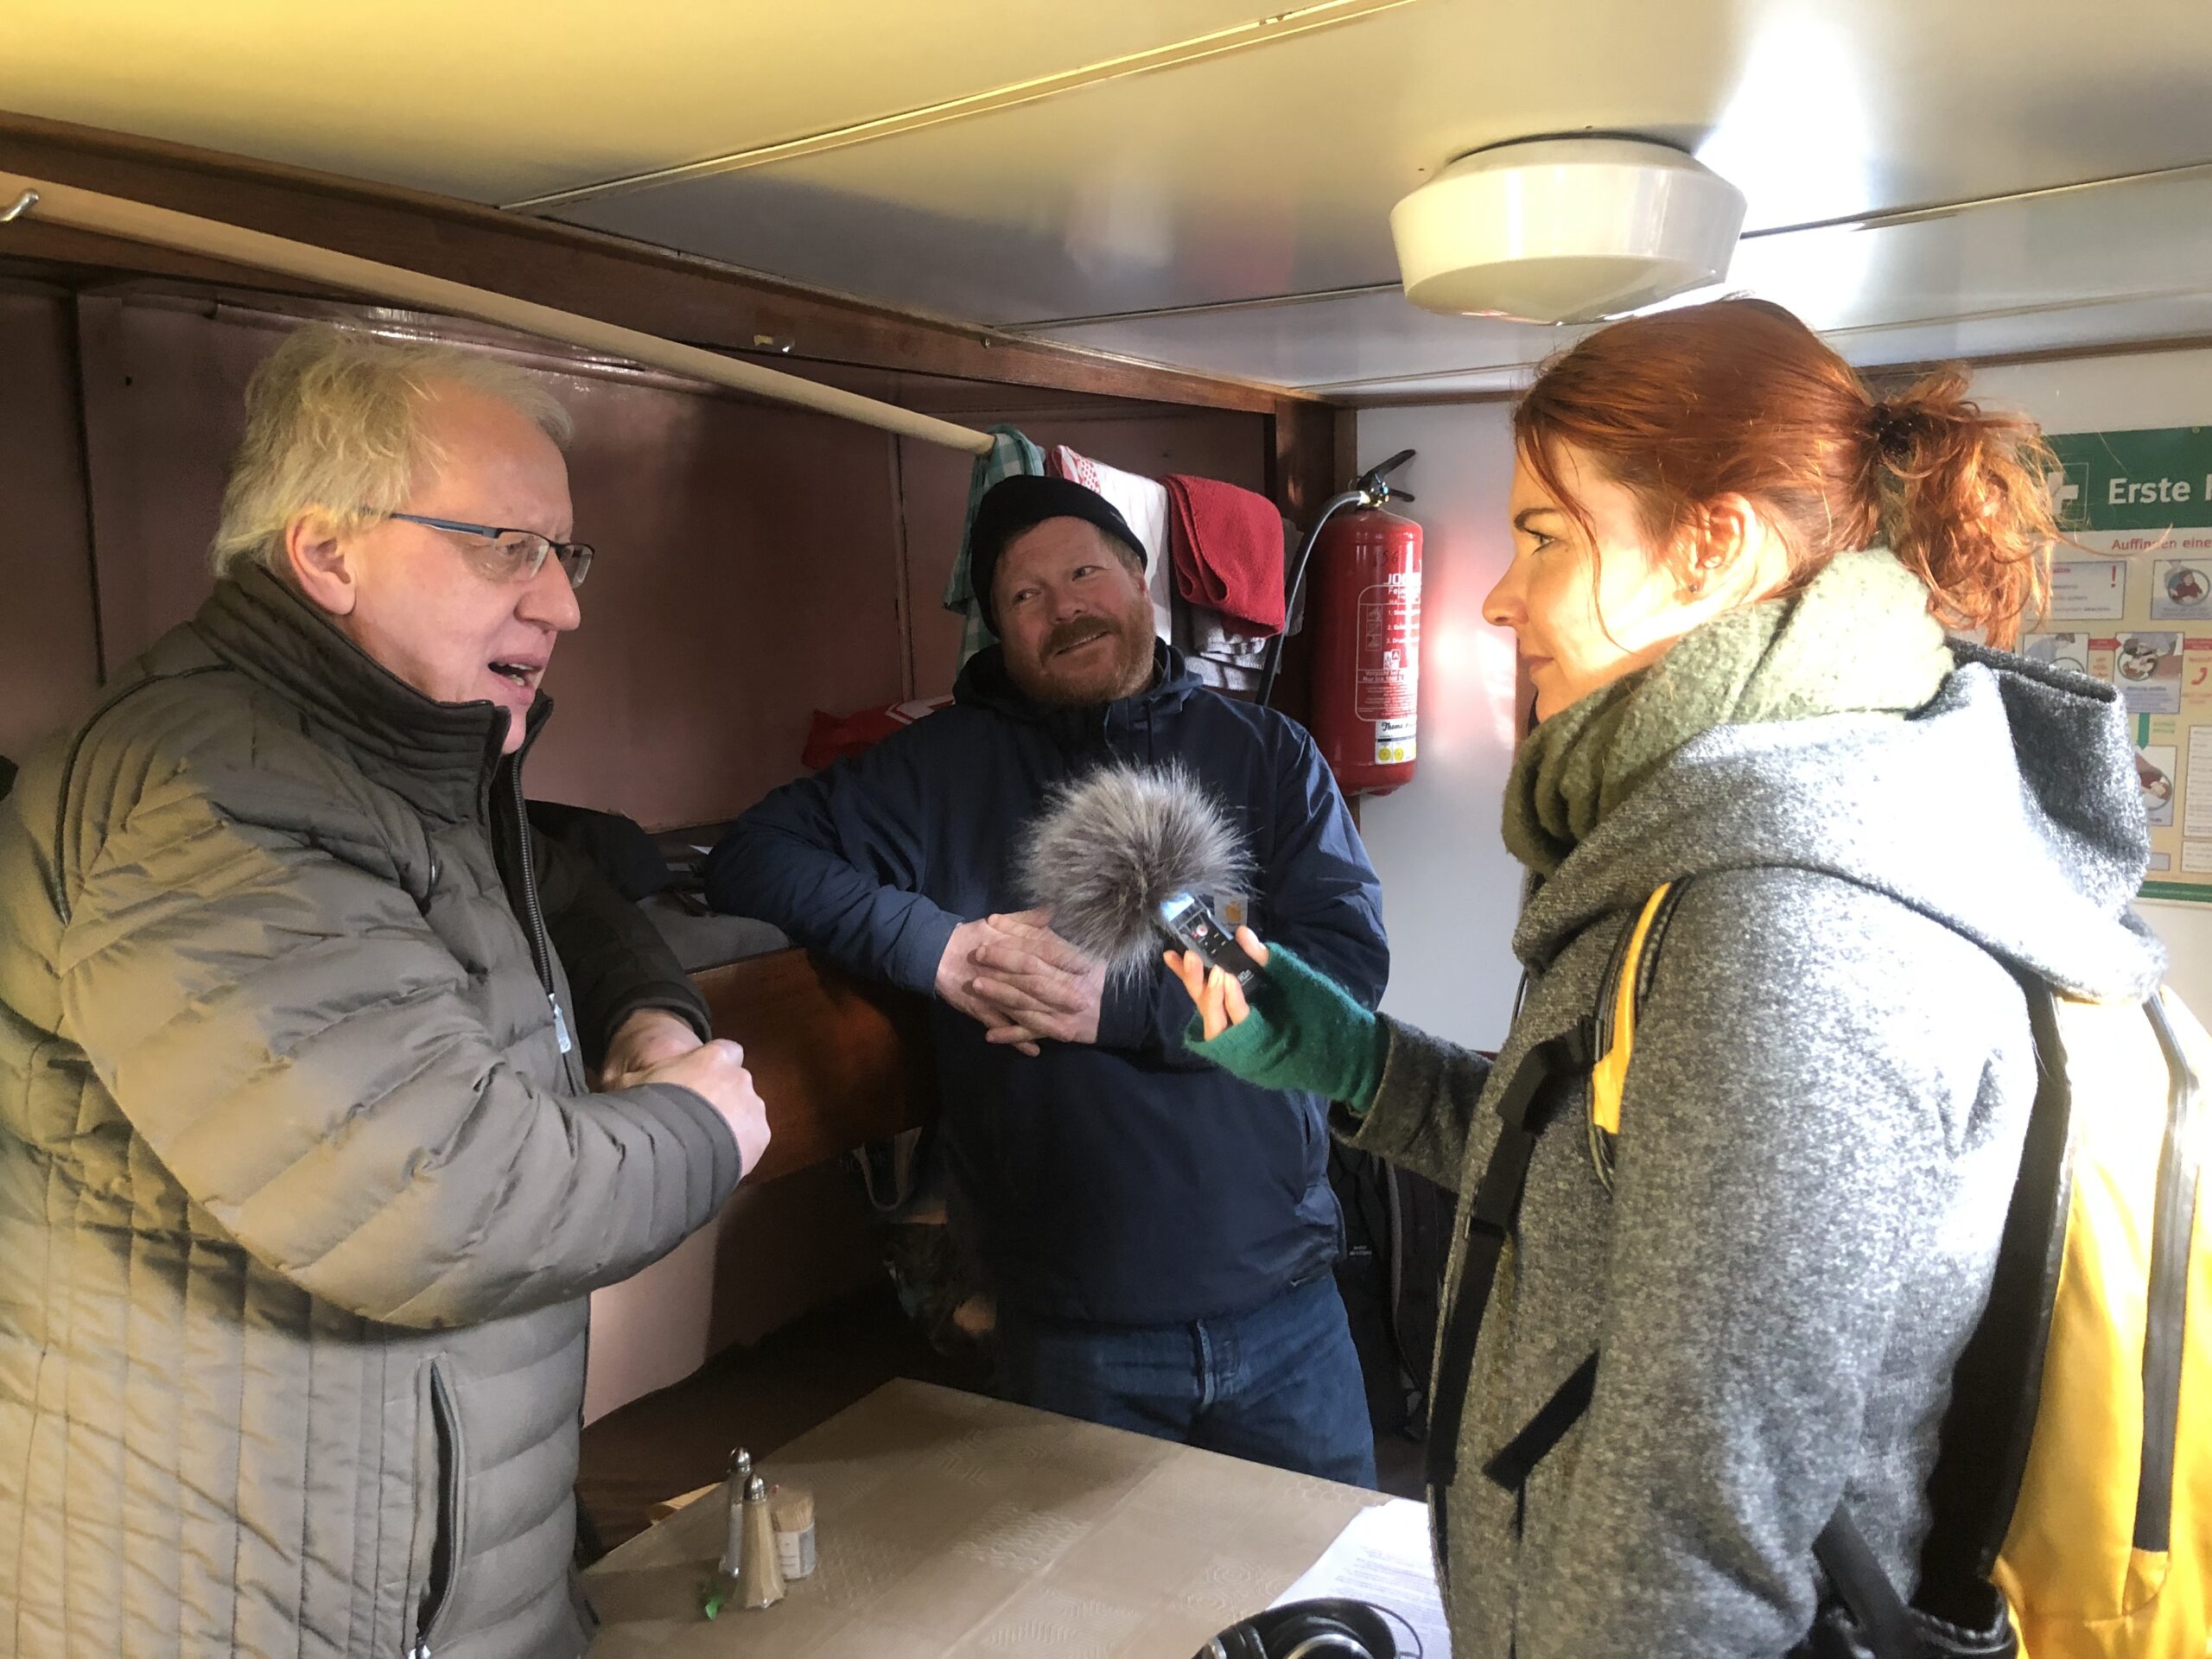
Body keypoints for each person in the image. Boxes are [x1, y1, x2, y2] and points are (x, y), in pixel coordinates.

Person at [1172, 297, 2160, 1658]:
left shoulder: (1792, 930)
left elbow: (1698, 1542)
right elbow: (1602, 1191)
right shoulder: (1716, 846)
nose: (1498, 596)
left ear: (1712, 550)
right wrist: (1358, 1063)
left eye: (1544, 536)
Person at [0, 327, 771, 1659]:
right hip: (263, 1605)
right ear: (327, 553)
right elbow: (443, 1203)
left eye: (564, 554)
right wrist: (702, 1131)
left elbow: (566, 896)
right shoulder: (206, 794)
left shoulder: (395, 765)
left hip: (414, 1565)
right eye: (507, 548)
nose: (562, 604)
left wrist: (650, 1020)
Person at [709, 475, 1388, 1484]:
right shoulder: (933, 773)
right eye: (1025, 596)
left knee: (1329, 1583)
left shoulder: (1265, 756)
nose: (1064, 608)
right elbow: (750, 855)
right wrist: (936, 948)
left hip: (1285, 1307)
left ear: (1138, 582)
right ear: (999, 633)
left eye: (1082, 573)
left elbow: (1344, 967)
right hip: (1073, 1333)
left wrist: (1119, 1004)